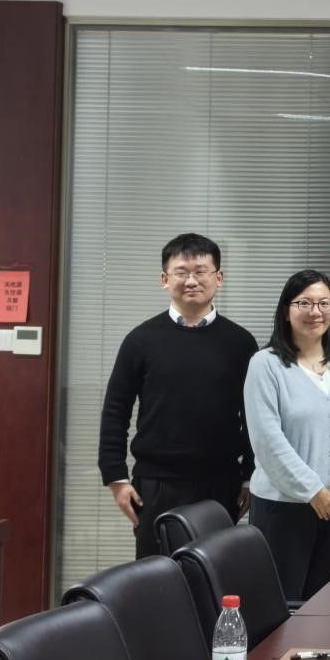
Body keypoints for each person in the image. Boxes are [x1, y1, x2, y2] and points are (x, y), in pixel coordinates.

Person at [98, 234, 258, 559]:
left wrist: (250, 477)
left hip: (221, 483)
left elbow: (255, 416)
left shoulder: (241, 342)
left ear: (219, 278)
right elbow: (116, 410)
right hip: (156, 484)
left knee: (216, 573)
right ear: (164, 279)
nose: (191, 280)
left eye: (201, 271)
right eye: (181, 272)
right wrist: (115, 477)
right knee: (157, 575)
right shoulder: (140, 340)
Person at [245, 270, 330, 601]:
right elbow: (267, 441)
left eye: (324, 303)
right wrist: (312, 490)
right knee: (281, 608)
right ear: (286, 311)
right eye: (304, 303)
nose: (316, 312)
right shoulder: (265, 364)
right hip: (282, 509)